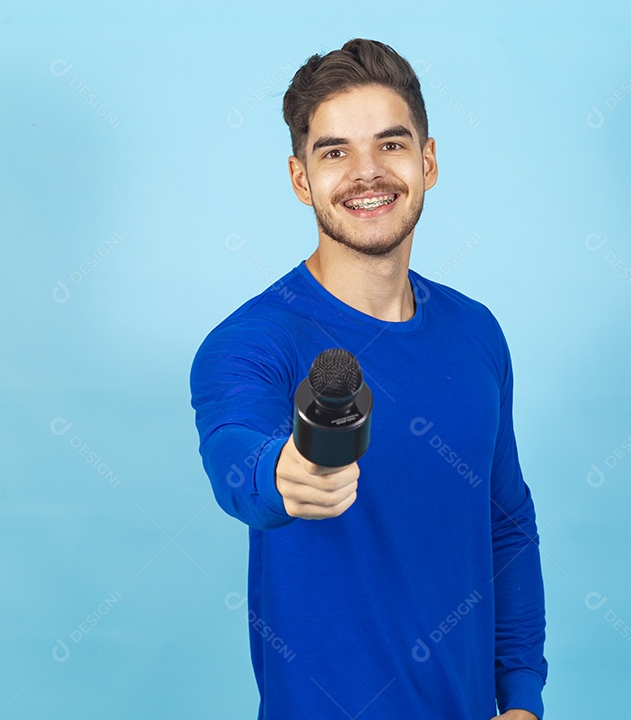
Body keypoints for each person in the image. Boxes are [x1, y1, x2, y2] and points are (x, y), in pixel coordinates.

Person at [190, 38, 547, 720]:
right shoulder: (252, 342)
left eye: (390, 144)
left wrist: (522, 698)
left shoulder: (476, 333)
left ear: (428, 161)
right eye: (334, 152)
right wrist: (281, 474)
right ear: (301, 180)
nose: (367, 173)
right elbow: (234, 453)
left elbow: (506, 526)